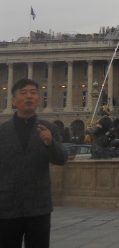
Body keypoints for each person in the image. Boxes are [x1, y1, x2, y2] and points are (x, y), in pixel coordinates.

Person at [0, 78, 68, 248]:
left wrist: (50, 144)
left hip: (39, 207)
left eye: (33, 92)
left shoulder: (49, 128)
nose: (29, 96)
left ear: (39, 99)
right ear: (13, 101)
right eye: (23, 93)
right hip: (6, 207)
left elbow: (61, 159)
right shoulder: (2, 131)